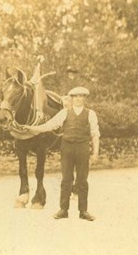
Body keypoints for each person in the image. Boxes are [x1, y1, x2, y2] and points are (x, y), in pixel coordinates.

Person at [23, 86, 100, 221]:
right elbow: (49, 125)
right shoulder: (64, 112)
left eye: (81, 96)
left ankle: (83, 211)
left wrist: (95, 153)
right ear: (71, 98)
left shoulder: (90, 114)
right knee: (66, 179)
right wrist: (31, 128)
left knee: (82, 180)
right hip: (67, 148)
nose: (78, 99)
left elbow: (95, 134)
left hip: (82, 148)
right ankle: (63, 210)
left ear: (84, 98)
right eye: (75, 97)